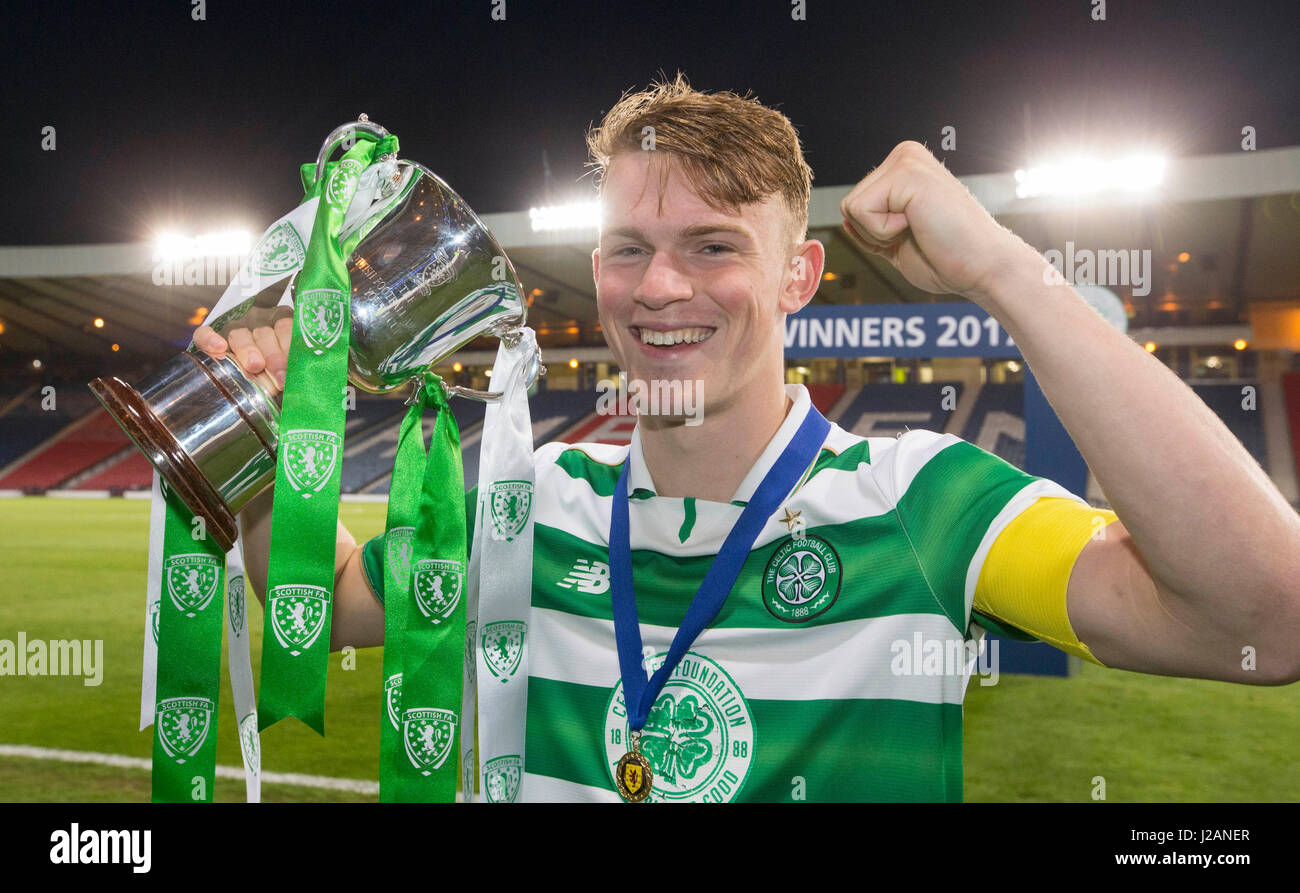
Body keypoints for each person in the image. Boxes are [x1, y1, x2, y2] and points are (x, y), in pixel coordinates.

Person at [196, 75, 1300, 802]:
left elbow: (1266, 617)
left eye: (714, 245)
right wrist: (264, 415)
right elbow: (334, 598)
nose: (661, 286)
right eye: (628, 248)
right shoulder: (533, 503)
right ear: (595, 274)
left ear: (797, 276)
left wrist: (1006, 273)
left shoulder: (920, 499)